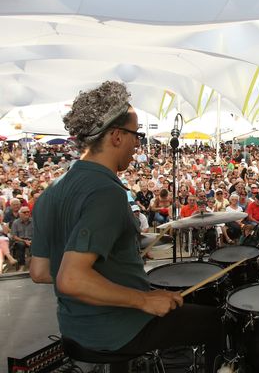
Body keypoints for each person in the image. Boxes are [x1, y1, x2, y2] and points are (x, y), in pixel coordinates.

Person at [29, 81, 223, 370]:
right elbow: (71, 279)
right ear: (117, 136)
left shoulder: (52, 191)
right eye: (136, 135)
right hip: (117, 330)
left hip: (73, 329)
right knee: (220, 322)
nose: (138, 144)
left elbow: (41, 271)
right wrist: (143, 300)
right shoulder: (106, 192)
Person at [11, 206, 33, 271]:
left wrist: (32, 241)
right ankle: (22, 265)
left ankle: (33, 264)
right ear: (20, 214)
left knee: (35, 244)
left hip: (32, 240)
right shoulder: (15, 223)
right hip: (20, 240)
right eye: (24, 212)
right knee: (20, 245)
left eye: (28, 212)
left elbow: (38, 233)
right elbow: (14, 236)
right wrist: (24, 241)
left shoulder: (34, 221)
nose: (27, 213)